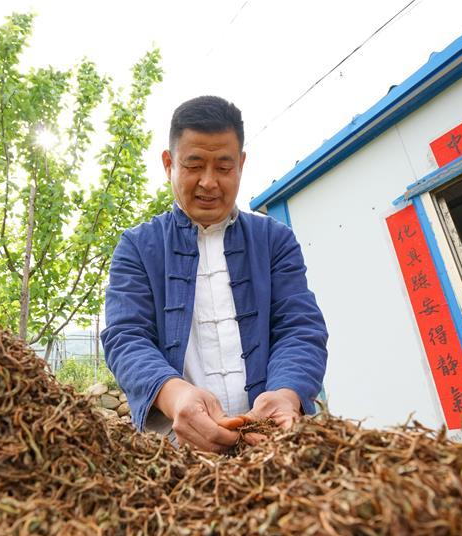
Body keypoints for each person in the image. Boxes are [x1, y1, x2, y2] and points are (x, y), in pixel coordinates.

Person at [100, 96, 328, 452]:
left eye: (223, 167)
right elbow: (126, 337)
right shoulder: (138, 247)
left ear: (241, 164)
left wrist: (286, 394)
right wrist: (174, 395)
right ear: (168, 164)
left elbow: (299, 327)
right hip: (176, 447)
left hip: (274, 441)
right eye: (194, 165)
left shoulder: (274, 241)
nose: (208, 182)